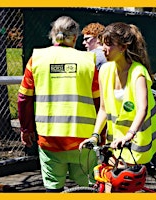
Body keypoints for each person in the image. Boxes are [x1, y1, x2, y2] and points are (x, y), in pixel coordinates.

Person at [18, 16, 100, 192]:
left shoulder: (37, 59)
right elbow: (99, 101)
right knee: (89, 187)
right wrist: (102, 132)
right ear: (75, 37)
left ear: (53, 35)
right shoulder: (88, 60)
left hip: (50, 139)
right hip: (84, 140)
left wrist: (27, 129)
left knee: (53, 189)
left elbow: (24, 98)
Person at [79, 22, 156, 165]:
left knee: (124, 184)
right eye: (102, 44)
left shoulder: (138, 73)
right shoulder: (105, 71)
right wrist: (94, 136)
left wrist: (129, 135)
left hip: (137, 141)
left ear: (123, 47)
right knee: (107, 180)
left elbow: (142, 110)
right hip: (116, 143)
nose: (103, 49)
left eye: (108, 44)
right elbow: (103, 109)